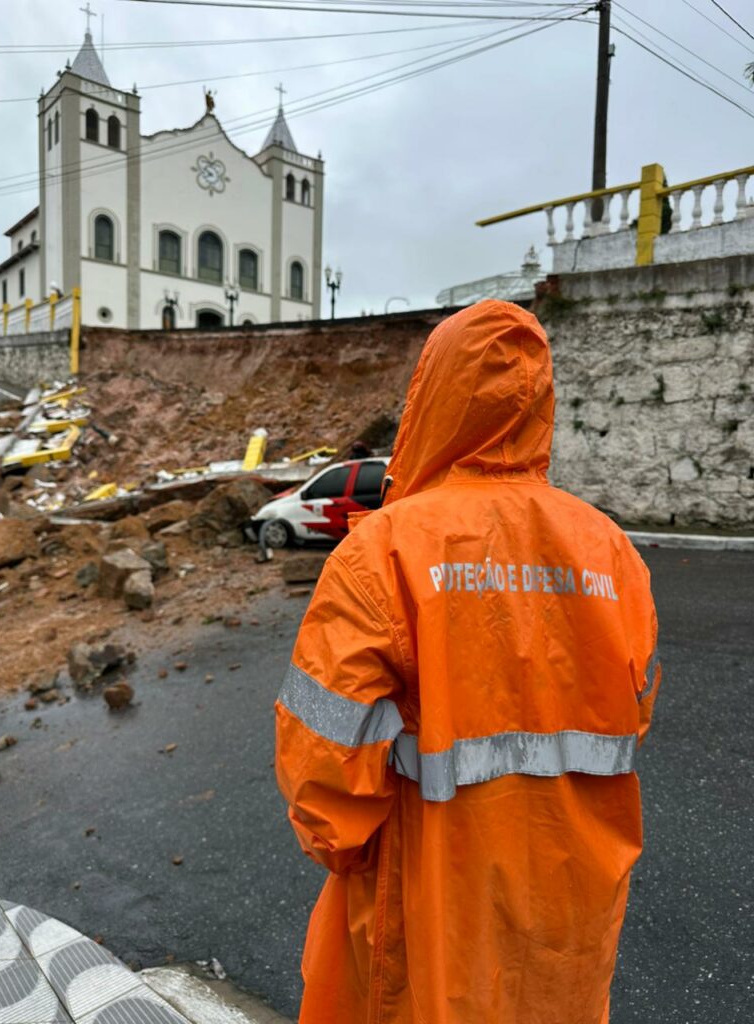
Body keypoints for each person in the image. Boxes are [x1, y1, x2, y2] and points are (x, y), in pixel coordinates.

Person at [275, 300, 661, 1024]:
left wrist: (340, 846)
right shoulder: (610, 551)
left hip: (428, 907)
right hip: (571, 899)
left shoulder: (384, 551)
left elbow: (324, 765)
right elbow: (628, 718)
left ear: (434, 394)